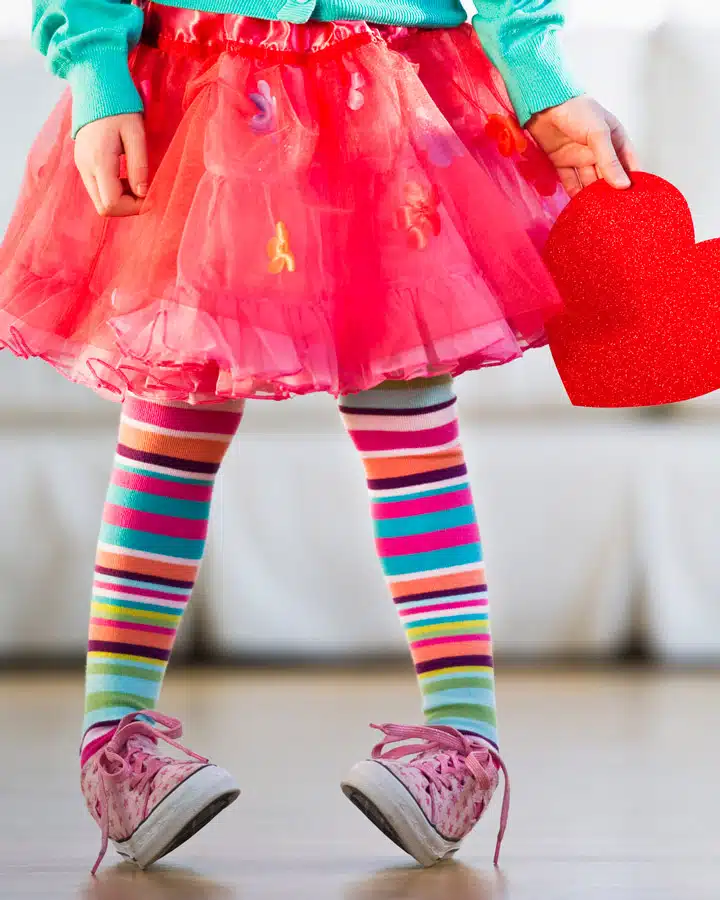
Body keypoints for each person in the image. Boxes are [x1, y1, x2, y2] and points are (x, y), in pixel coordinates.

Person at [0, 0, 637, 876]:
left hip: (389, 85)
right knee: (172, 408)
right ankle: (114, 744)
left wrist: (538, 75)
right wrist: (97, 69)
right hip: (199, 80)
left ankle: (464, 739)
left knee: (410, 423)